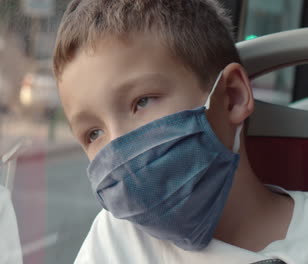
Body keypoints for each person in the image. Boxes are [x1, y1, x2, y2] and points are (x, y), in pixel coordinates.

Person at [52, 0, 308, 263]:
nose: (119, 149)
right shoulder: (114, 242)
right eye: (94, 134)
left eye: (142, 102)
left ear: (232, 96)